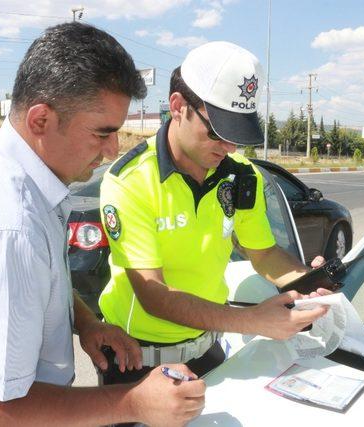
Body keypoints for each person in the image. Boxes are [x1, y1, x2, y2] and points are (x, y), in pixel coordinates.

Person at [0, 22, 205, 427]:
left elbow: (39, 280)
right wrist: (134, 401)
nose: (112, 150)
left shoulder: (14, 167)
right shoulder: (7, 227)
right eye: (102, 133)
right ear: (41, 120)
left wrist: (84, 321)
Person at [97, 41, 330, 387]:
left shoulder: (242, 174)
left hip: (209, 351)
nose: (230, 147)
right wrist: (253, 320)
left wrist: (305, 283)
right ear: (178, 107)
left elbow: (263, 253)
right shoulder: (131, 181)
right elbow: (154, 295)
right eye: (218, 131)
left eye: (237, 134)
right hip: (137, 364)